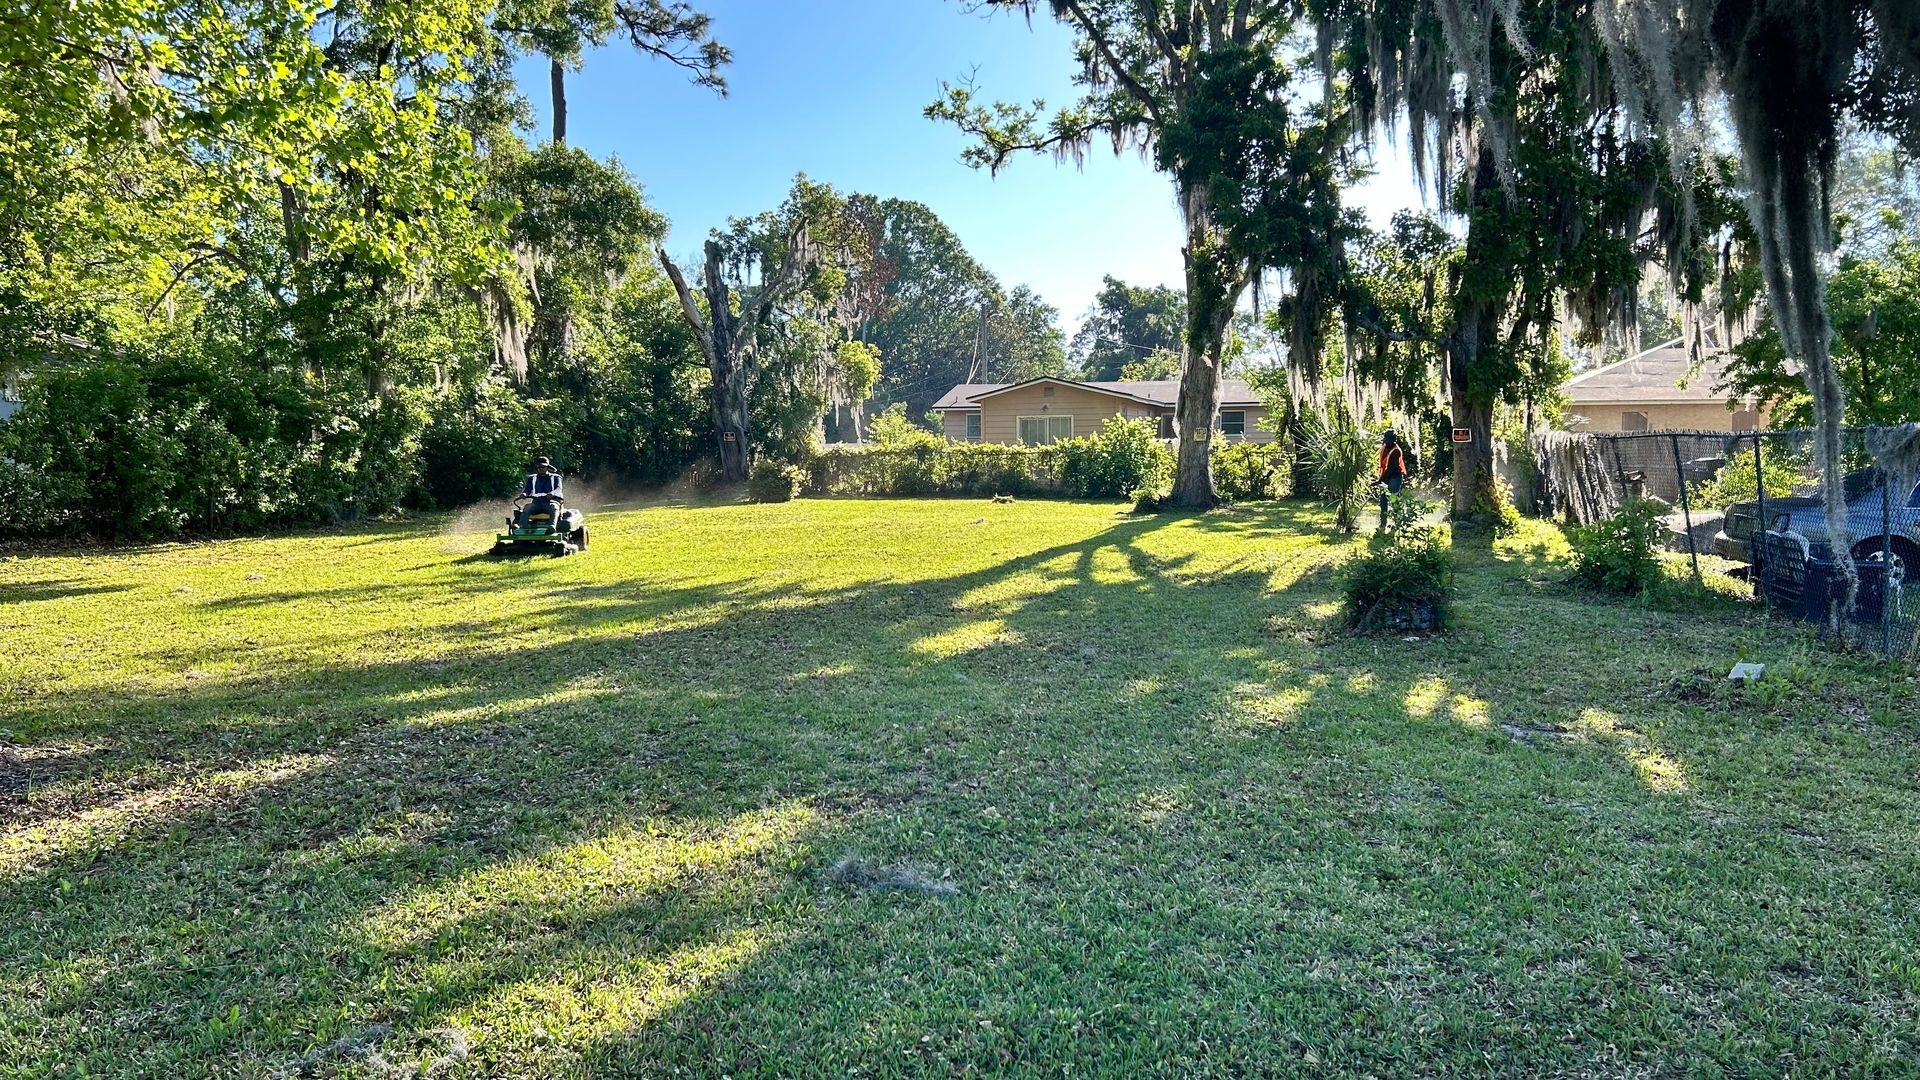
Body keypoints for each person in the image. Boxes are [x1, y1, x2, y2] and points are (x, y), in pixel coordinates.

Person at [1377, 430, 1407, 529]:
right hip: (1385, 477)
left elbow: (1390, 469)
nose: (1386, 442)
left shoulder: (1396, 451)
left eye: (1389, 439)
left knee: (1394, 500)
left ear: (1393, 440)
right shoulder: (1384, 447)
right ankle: (1383, 523)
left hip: (1395, 477)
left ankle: (1397, 523)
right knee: (1383, 500)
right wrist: (1381, 479)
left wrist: (1380, 481)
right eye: (1386, 439)